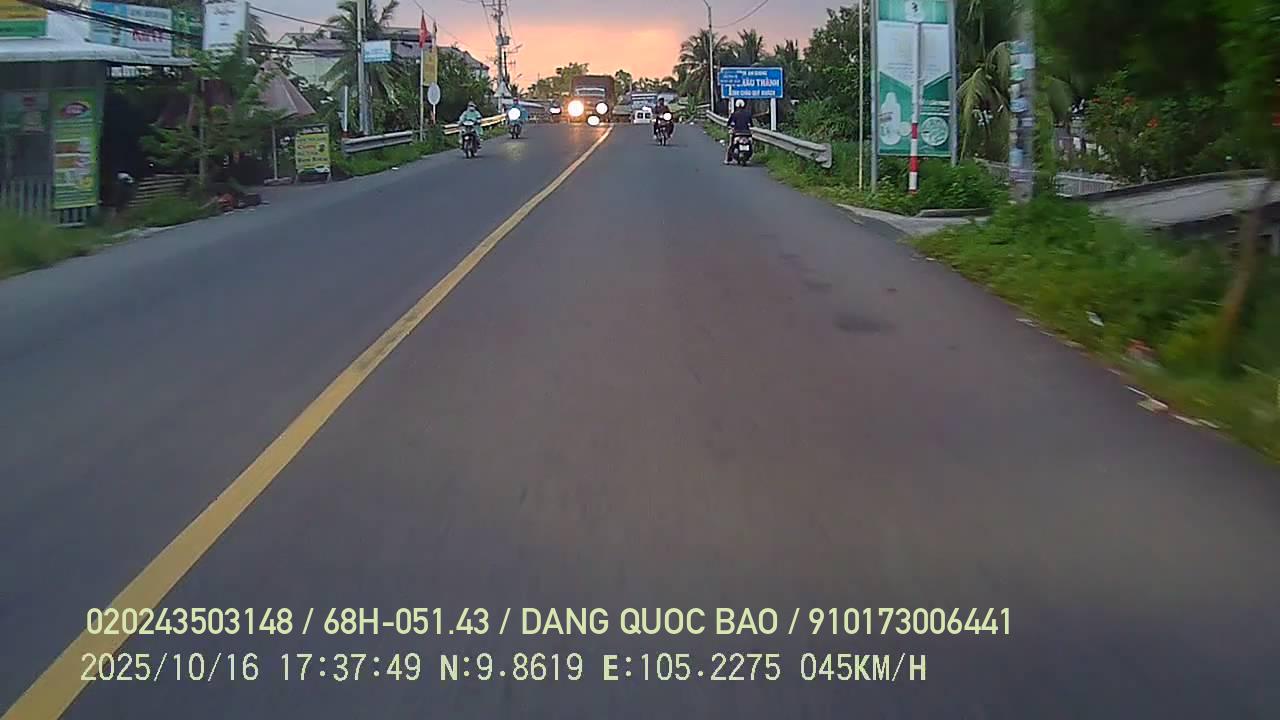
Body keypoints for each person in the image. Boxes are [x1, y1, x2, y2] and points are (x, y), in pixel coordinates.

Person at [726, 99, 753, 164]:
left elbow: (729, 123)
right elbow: (751, 124)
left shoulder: (734, 114)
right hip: (747, 133)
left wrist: (730, 127)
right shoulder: (748, 114)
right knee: (750, 144)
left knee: (731, 145)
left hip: (737, 133)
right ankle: (748, 157)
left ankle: (728, 159)